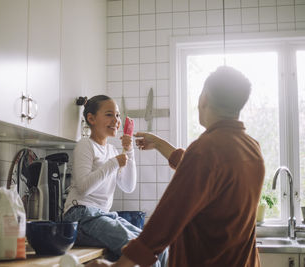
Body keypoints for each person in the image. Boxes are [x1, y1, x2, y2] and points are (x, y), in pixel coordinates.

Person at [87, 66, 265, 267]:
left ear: (203, 99)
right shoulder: (252, 148)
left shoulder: (205, 150)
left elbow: (166, 220)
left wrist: (118, 266)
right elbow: (209, 176)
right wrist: (159, 144)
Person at [63, 95, 167, 266]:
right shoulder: (85, 145)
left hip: (104, 216)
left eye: (118, 115)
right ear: (91, 119)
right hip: (80, 217)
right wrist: (113, 163)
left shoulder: (112, 150)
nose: (116, 120)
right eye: (109, 114)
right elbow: (83, 187)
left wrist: (129, 151)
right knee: (143, 255)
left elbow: (128, 186)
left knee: (156, 248)